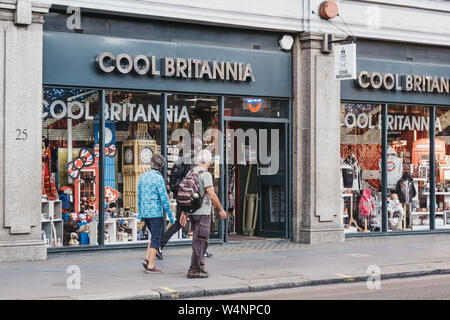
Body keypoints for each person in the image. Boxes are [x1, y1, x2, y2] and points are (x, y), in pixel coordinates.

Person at [158, 138, 213, 259]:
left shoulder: (182, 157)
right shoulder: (194, 159)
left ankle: (160, 246)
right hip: (191, 194)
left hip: (181, 193)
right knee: (197, 222)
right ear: (197, 147)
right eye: (201, 146)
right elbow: (196, 177)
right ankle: (160, 245)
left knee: (183, 222)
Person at [186, 149, 227, 279]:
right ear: (208, 161)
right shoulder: (206, 174)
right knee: (201, 240)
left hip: (192, 211)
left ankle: (194, 268)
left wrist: (183, 212)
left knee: (197, 239)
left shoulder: (191, 172)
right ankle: (198, 269)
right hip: (203, 211)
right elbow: (212, 194)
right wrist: (221, 209)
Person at [138, 154, 175, 273]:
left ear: (150, 163)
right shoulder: (159, 179)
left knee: (153, 236)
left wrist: (140, 213)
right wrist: (170, 215)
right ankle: (151, 266)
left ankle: (147, 259)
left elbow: (139, 196)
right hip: (155, 213)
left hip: (145, 212)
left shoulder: (143, 177)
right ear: (162, 166)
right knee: (156, 238)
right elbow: (164, 198)